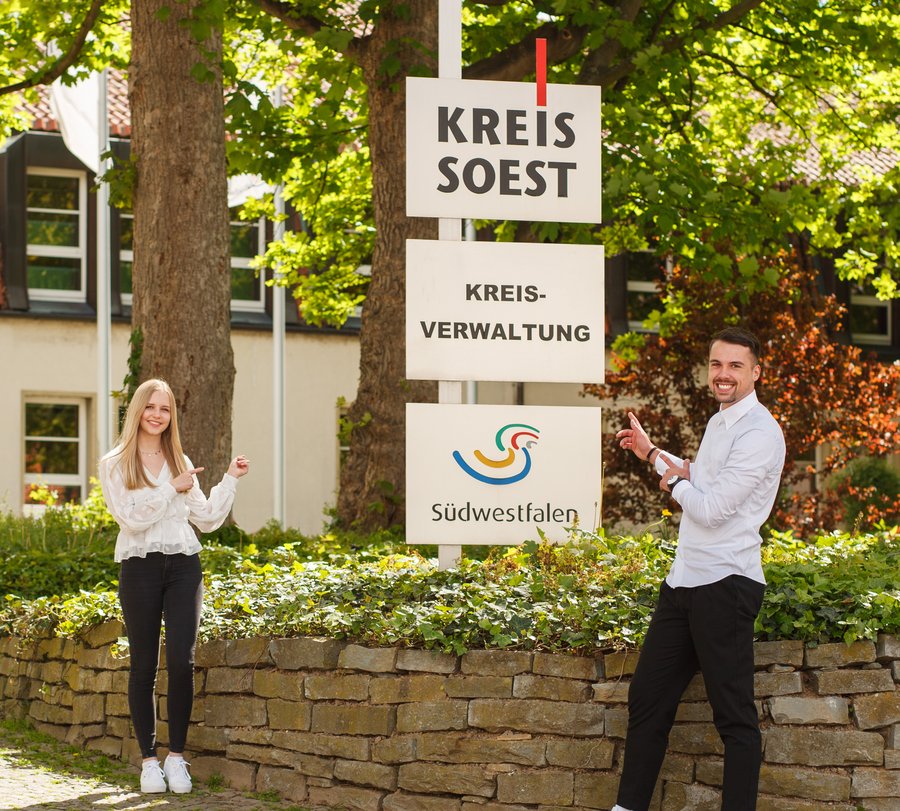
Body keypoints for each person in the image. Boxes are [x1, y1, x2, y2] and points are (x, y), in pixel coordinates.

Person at [611, 327, 785, 811]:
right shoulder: (719, 423)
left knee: (734, 720)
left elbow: (709, 509)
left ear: (755, 372)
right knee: (647, 700)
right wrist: (651, 453)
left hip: (727, 585)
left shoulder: (761, 433)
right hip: (684, 582)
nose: (723, 374)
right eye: (716, 365)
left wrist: (669, 483)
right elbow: (697, 474)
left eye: (734, 365)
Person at [99, 378, 249, 795]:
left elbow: (205, 518)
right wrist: (170, 487)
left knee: (182, 662)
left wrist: (230, 478)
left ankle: (177, 758)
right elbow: (131, 519)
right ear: (137, 411)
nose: (157, 415)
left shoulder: (179, 457)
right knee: (143, 666)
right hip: (140, 567)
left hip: (185, 565)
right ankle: (149, 762)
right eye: (150, 407)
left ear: (171, 416)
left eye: (164, 409)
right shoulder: (115, 462)